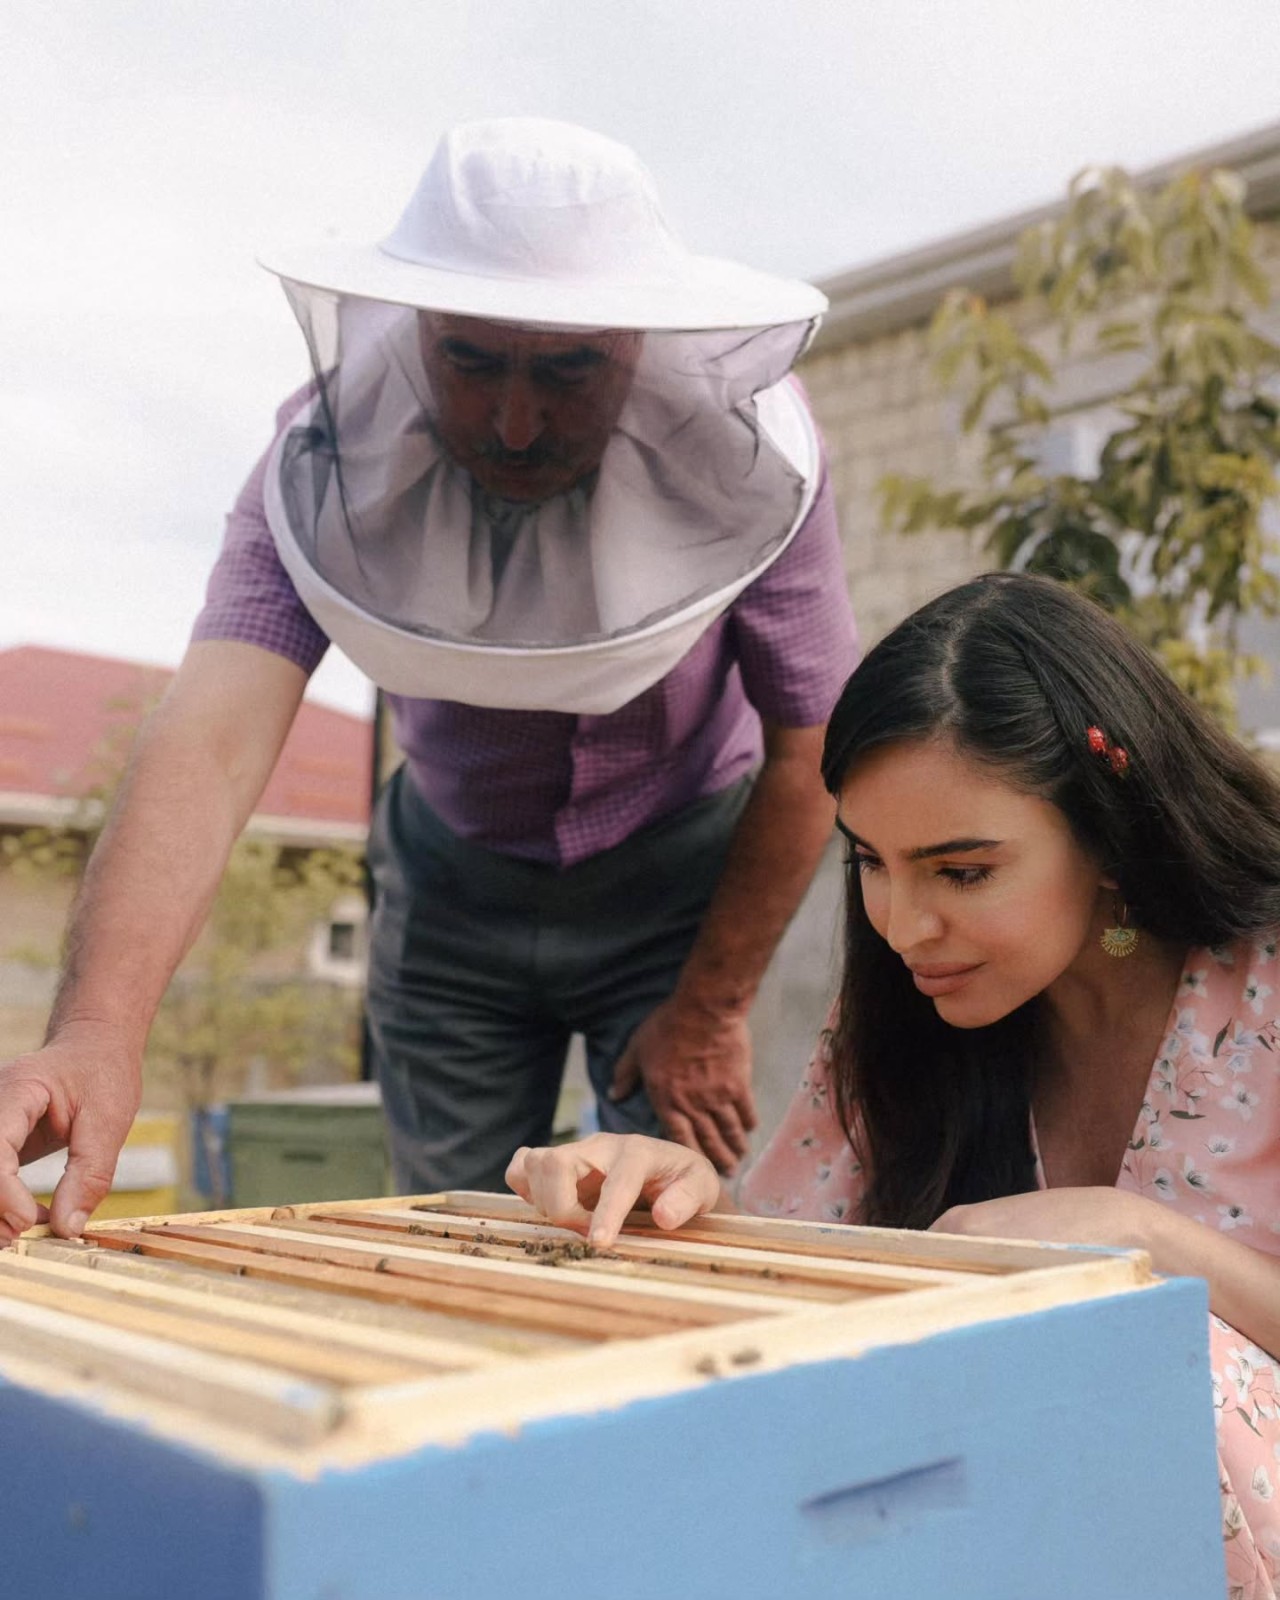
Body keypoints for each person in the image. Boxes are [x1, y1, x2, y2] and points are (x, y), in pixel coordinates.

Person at [0, 118, 857, 1236]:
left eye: (566, 367)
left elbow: (813, 748)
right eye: (471, 360)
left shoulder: (750, 465)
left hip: (687, 883)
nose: (513, 421)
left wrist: (711, 1004)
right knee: (446, 1222)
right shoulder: (318, 467)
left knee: (678, 1218)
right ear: (412, 334)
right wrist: (96, 1033)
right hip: (450, 887)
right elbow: (209, 739)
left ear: (637, 347)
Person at [508, 572, 1280, 1596]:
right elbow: (812, 1280)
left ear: (1105, 831)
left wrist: (1139, 1242)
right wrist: (671, 1198)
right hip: (1027, 1541)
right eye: (869, 861)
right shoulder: (914, 1002)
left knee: (1141, 1361)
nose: (902, 923)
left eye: (961, 872)